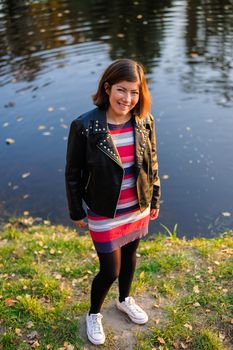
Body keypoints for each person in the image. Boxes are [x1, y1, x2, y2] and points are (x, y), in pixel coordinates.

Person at [65, 58, 161, 345]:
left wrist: (154, 197)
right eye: (121, 90)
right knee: (110, 269)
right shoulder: (85, 126)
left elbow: (152, 162)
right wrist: (75, 210)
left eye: (134, 92)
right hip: (104, 212)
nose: (128, 99)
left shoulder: (144, 121)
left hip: (137, 206)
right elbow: (73, 172)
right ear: (107, 88)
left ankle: (124, 300)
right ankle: (94, 313)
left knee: (131, 259)